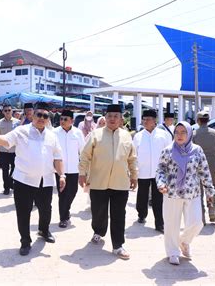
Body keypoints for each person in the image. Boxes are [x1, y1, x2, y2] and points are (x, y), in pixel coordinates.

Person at [0, 102, 65, 256]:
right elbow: (5, 141)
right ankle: (25, 241)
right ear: (33, 115)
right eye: (39, 115)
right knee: (23, 212)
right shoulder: (21, 131)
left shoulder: (52, 136)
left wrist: (62, 175)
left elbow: (58, 158)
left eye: (45, 116)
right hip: (23, 181)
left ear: (48, 118)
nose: (42, 118)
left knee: (46, 210)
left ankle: (44, 230)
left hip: (46, 180)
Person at [78, 104, 138, 260]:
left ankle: (118, 245)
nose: (113, 119)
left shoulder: (126, 136)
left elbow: (132, 158)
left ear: (121, 119)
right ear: (105, 117)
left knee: (119, 214)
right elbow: (85, 156)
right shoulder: (95, 135)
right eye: (110, 116)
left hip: (120, 182)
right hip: (98, 181)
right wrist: (82, 173)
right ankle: (98, 231)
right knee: (99, 212)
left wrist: (134, 175)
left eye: (116, 116)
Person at [156, 121, 215, 265]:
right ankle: (173, 252)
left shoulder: (197, 150)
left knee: (196, 222)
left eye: (183, 132)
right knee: (171, 224)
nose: (180, 135)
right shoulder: (168, 150)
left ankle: (184, 241)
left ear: (189, 134)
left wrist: (209, 190)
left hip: (192, 193)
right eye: (177, 132)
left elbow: (204, 171)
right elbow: (160, 170)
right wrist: (161, 183)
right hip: (172, 193)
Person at [133, 109, 171, 233]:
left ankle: (159, 223)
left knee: (158, 198)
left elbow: (169, 153)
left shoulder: (163, 135)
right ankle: (141, 214)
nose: (145, 121)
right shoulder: (138, 136)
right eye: (143, 119)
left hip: (159, 172)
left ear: (154, 121)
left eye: (148, 119)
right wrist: (134, 171)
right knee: (142, 195)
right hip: (143, 171)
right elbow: (134, 154)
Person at [54, 109, 85, 228]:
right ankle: (63, 218)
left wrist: (84, 168)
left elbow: (82, 151)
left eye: (65, 119)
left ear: (72, 121)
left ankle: (66, 210)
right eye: (61, 119)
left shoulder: (78, 133)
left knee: (72, 192)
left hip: (74, 169)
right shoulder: (55, 132)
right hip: (59, 169)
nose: (62, 121)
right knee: (62, 194)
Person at [193, 111, 215, 223]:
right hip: (212, 165)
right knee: (211, 188)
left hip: (198, 165)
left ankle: (202, 217)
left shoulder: (194, 134)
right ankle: (212, 211)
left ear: (198, 121)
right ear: (208, 120)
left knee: (199, 191)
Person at [0, 104, 20, 195]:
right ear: (3, 112)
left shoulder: (18, 122)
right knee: (5, 170)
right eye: (5, 110)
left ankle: (10, 182)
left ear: (12, 111)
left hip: (14, 151)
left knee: (15, 169)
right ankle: (6, 187)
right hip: (3, 150)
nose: (7, 112)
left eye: (9, 110)